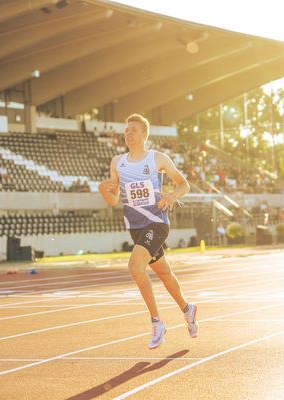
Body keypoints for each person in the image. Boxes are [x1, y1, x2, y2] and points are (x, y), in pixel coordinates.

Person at [98, 114, 197, 349]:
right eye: (126, 129)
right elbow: (113, 200)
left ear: (144, 135)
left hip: (156, 222)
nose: (128, 133)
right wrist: (103, 189)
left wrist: (172, 195)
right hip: (135, 226)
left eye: (133, 129)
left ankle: (157, 322)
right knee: (163, 274)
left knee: (135, 267)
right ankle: (187, 308)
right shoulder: (117, 162)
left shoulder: (157, 159)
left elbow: (184, 184)